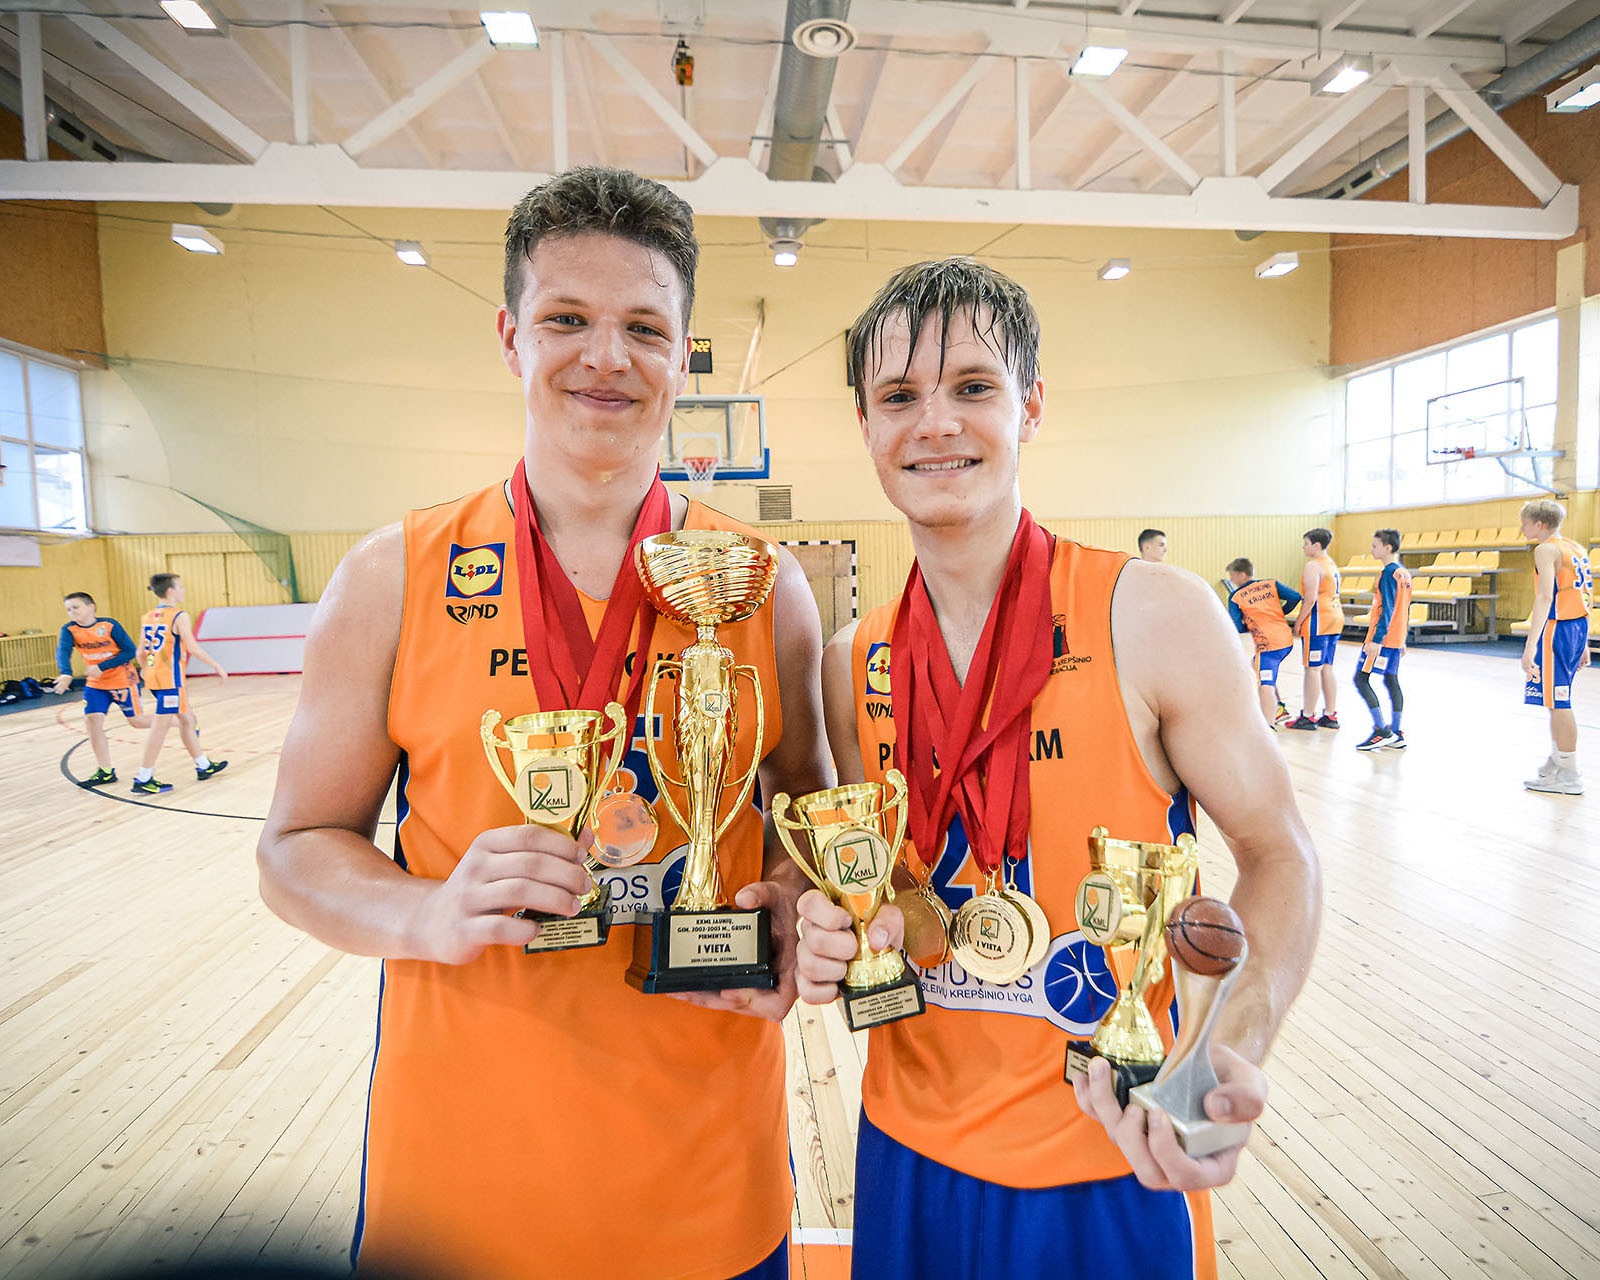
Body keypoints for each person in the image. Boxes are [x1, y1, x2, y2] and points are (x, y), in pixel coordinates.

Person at [256, 167, 830, 1280]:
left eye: (644, 328)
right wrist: (428, 910)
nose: (606, 356)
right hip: (459, 1193)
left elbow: (807, 812)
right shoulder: (392, 574)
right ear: (511, 336)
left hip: (708, 1182)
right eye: (568, 318)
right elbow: (293, 848)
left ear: (683, 353)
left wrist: (788, 900)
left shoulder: (766, 583)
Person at [794, 258, 1321, 1280]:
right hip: (905, 1148)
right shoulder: (851, 660)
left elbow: (1279, 854)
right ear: (864, 424)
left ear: (1030, 404)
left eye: (972, 386)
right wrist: (839, 930)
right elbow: (894, 895)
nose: (934, 423)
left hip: (1110, 1148)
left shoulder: (1152, 613)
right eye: (898, 396)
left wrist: (1229, 1044)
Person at [133, 573, 229, 794]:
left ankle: (203, 765)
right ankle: (143, 777)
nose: (183, 590)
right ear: (170, 591)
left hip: (154, 678)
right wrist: (215, 665)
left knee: (187, 719)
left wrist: (146, 669)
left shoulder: (148, 616)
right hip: (170, 680)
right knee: (160, 728)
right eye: (180, 587)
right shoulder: (179, 616)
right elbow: (192, 647)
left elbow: (140, 653)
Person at [1520, 498, 1591, 794]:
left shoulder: (1545, 549)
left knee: (1559, 701)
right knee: (1555, 700)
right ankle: (1557, 762)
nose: (1522, 528)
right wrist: (1583, 643)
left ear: (1539, 524)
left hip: (1557, 629)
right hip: (1577, 626)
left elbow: (1545, 597)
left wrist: (1530, 646)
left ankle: (1569, 774)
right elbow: (1585, 594)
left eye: (1524, 523)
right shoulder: (1576, 548)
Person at [52, 590, 153, 786]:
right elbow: (62, 651)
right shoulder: (69, 629)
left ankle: (179, 722)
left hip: (122, 680)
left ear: (91, 607)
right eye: (69, 609)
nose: (72, 612)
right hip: (96, 684)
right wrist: (66, 672)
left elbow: (130, 651)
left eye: (76, 607)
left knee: (137, 722)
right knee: (92, 723)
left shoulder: (109, 625)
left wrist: (102, 666)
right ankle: (106, 771)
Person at [1223, 559, 1300, 728]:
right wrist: (1281, 612)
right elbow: (1295, 597)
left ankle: (1268, 726)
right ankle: (1278, 707)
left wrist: (1249, 625)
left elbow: (1237, 626)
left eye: (1232, 575)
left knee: (1265, 684)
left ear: (1242, 574)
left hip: (1268, 645)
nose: (1231, 580)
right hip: (1285, 639)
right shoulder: (1270, 584)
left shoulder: (1236, 597)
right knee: (1256, 664)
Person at [1354, 529, 1411, 752]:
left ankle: (1382, 731)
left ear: (1388, 548)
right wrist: (1402, 639)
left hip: (1383, 639)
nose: (1371, 549)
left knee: (1361, 679)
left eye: (1375, 546)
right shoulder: (1404, 573)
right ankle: (1396, 732)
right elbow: (1404, 609)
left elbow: (1387, 608)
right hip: (1396, 638)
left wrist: (1376, 640)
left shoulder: (1388, 572)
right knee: (1391, 679)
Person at [1284, 528, 1343, 731]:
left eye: (1306, 543)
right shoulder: (1331, 563)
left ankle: (1308, 716)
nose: (1303, 547)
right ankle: (1330, 714)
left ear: (1316, 545)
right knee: (1326, 667)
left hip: (1319, 619)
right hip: (1335, 617)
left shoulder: (1313, 566)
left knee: (1312, 669)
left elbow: (1310, 598)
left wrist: (1299, 621)